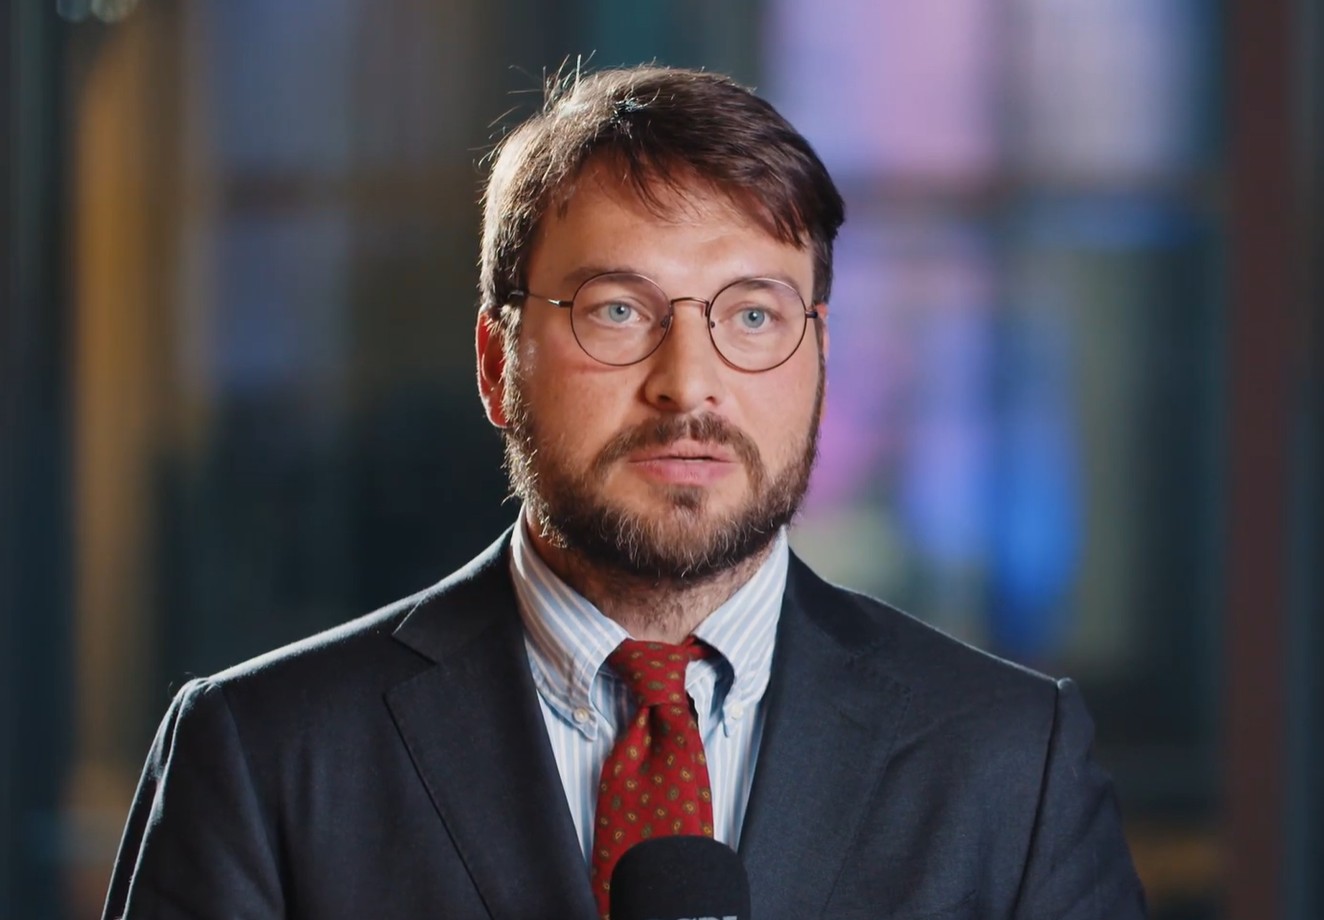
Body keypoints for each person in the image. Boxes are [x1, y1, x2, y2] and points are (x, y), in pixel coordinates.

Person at [102, 66, 1147, 920]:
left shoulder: (1011, 759)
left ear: (819, 357)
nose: (687, 383)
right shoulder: (264, 754)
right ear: (495, 363)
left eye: (752, 316)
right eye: (616, 310)